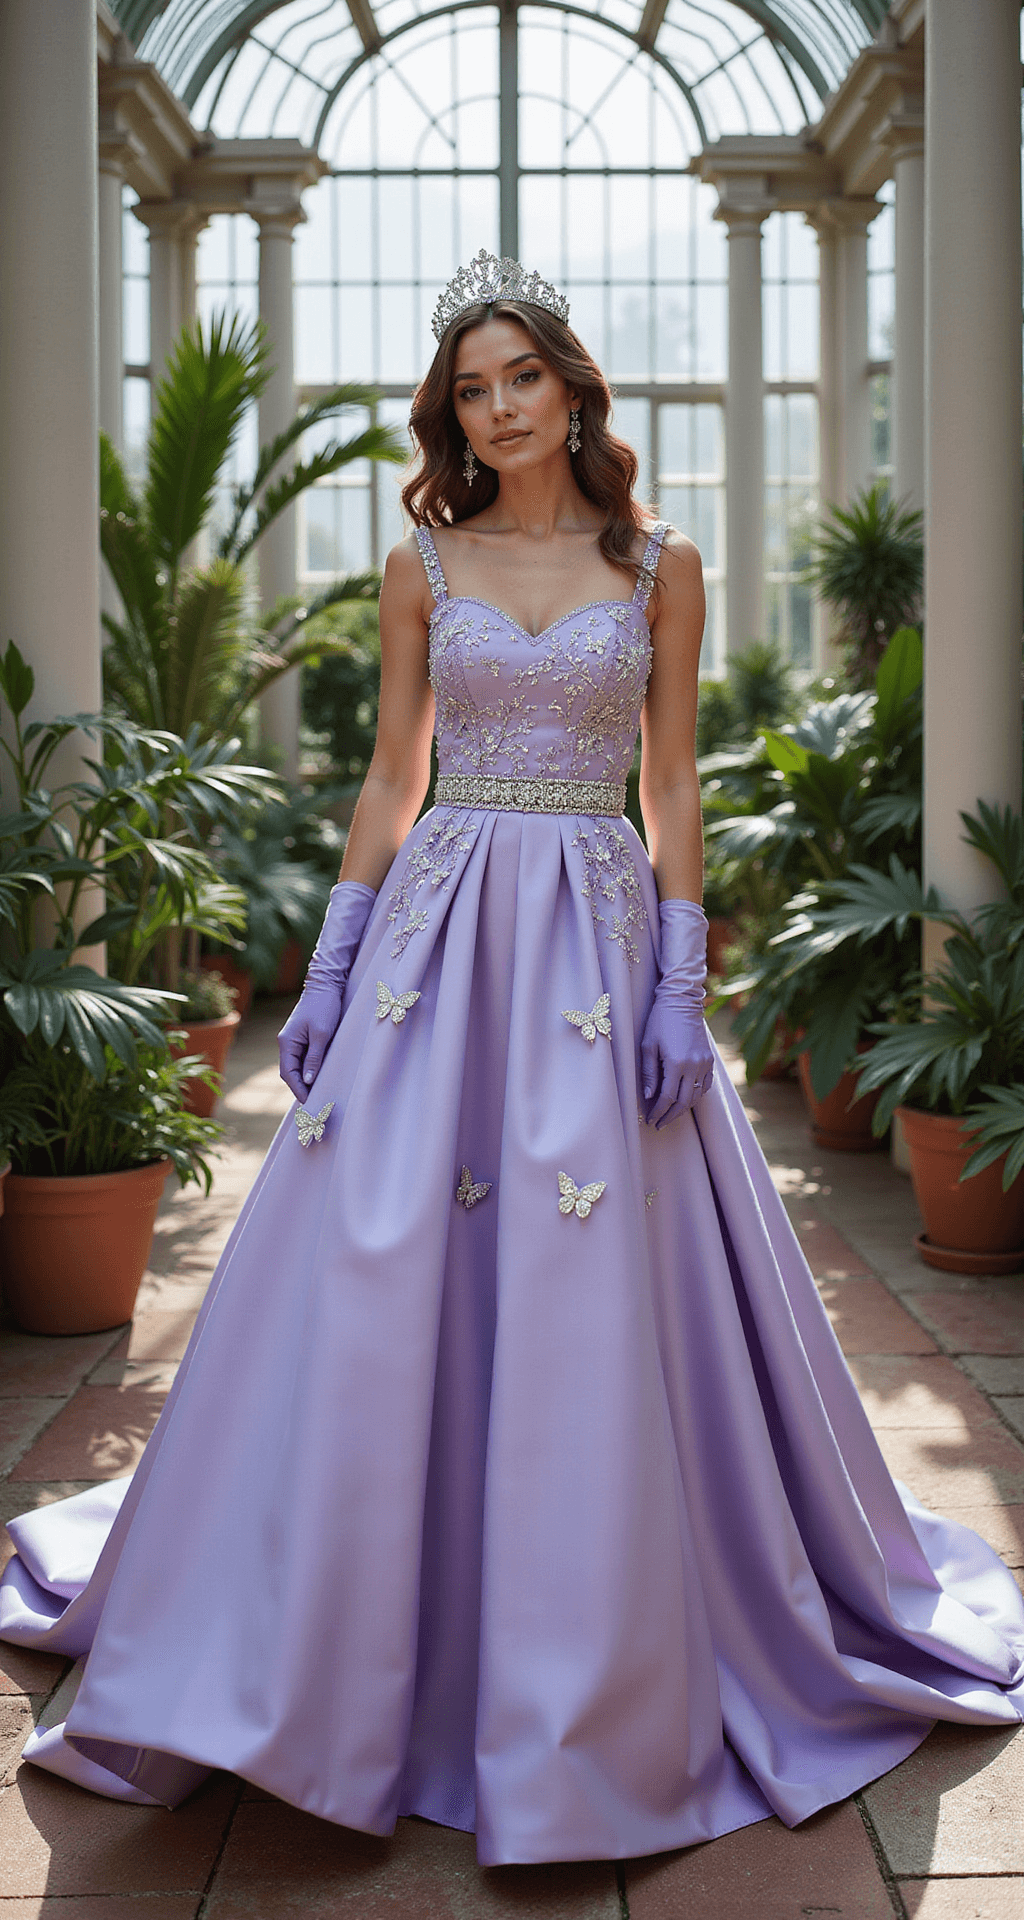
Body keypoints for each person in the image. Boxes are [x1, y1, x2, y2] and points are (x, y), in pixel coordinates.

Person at [2, 250, 1022, 1867]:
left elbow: (672, 783)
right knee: (375, 1258)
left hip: (598, 939)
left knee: (600, 1275)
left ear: (570, 385)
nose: (497, 409)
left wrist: (681, 977)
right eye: (471, 389)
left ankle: (591, 1648)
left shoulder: (662, 563)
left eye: (520, 378)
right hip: (440, 934)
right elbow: (389, 775)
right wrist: (336, 960)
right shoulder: (423, 559)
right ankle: (330, 1637)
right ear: (454, 413)